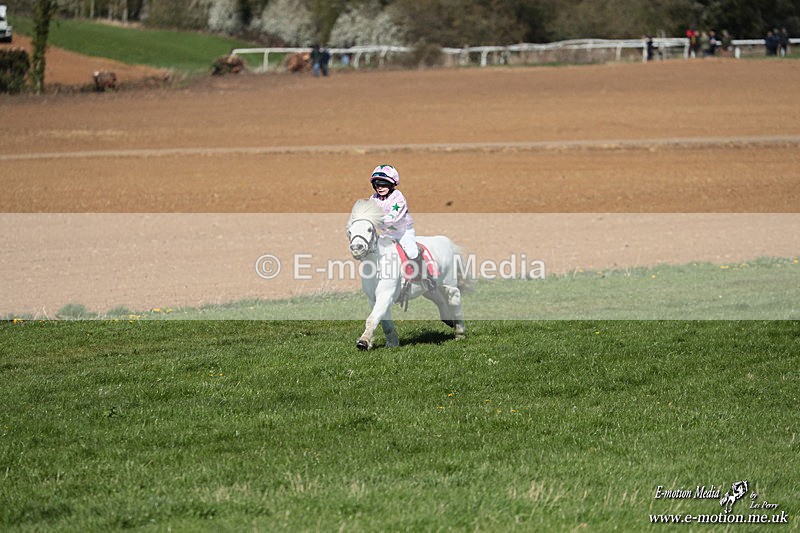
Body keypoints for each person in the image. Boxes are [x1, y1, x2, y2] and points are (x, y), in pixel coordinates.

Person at [369, 164, 436, 291]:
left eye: (384, 184)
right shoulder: (373, 198)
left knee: (412, 251)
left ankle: (428, 277)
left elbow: (392, 218)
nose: (380, 187)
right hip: (387, 234)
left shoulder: (398, 197)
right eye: (377, 184)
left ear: (392, 184)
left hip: (404, 232)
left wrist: (375, 220)